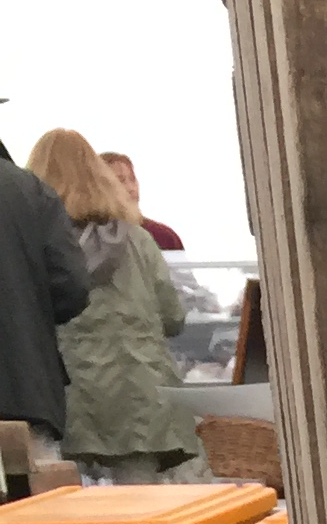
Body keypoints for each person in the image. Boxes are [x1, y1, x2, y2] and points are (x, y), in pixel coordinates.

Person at [25, 125, 202, 483]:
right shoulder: (139, 239)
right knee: (142, 503)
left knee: (66, 502)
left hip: (69, 398)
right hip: (142, 394)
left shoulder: (39, 245)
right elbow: (173, 317)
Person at [0, 136, 91, 468]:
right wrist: (27, 320)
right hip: (26, 391)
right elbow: (73, 285)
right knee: (37, 496)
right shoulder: (30, 190)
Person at [101, 153, 184, 253]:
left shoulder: (164, 237)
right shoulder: (90, 238)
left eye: (133, 179)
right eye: (120, 180)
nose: (131, 188)